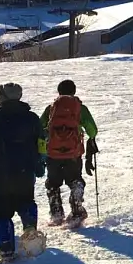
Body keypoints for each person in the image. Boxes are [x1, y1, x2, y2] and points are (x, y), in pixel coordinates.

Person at [0, 82, 46, 262]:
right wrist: (40, 163)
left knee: (2, 211)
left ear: (1, 98)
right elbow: (41, 143)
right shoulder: (32, 118)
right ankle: (30, 227)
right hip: (25, 170)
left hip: (0, 174)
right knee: (26, 200)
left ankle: (7, 248)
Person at [40, 79, 98, 225]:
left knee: (53, 182)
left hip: (53, 153)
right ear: (74, 91)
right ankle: (77, 210)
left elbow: (40, 128)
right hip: (73, 152)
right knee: (74, 179)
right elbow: (92, 130)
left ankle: (56, 213)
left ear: (59, 92)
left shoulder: (51, 108)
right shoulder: (80, 108)